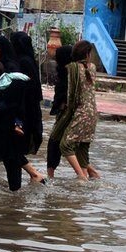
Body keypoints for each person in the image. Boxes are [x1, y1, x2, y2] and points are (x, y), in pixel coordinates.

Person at [0, 36, 45, 190]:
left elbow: (14, 98)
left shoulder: (11, 68)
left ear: (3, 48)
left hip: (6, 119)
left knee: (10, 155)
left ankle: (17, 191)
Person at [61, 40, 100, 180]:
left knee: (65, 145)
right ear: (88, 55)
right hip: (93, 113)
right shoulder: (93, 67)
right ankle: (87, 177)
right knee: (83, 147)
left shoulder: (72, 68)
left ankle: (81, 176)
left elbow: (71, 95)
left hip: (81, 112)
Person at [10, 32, 44, 155]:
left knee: (17, 146)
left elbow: (27, 87)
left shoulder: (23, 62)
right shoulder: (29, 60)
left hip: (25, 108)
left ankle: (34, 174)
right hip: (29, 107)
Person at [46, 45, 73, 178]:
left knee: (55, 143)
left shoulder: (69, 74)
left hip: (66, 114)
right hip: (65, 113)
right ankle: (88, 173)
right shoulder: (65, 72)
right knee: (67, 146)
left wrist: (62, 106)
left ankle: (87, 174)